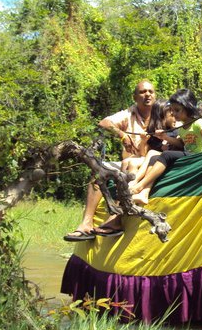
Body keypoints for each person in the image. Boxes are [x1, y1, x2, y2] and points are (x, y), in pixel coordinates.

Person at [63, 80, 164, 241]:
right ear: (135, 97)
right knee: (98, 173)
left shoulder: (162, 111)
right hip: (131, 160)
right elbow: (104, 123)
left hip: (150, 161)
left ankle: (116, 218)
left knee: (127, 166)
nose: (148, 95)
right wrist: (122, 135)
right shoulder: (129, 114)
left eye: (151, 91)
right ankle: (86, 223)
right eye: (143, 92)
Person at [128, 88, 202, 206]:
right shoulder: (182, 127)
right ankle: (145, 192)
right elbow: (181, 144)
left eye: (177, 110)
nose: (173, 113)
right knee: (154, 158)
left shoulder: (198, 123)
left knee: (167, 155)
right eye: (172, 110)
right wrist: (165, 137)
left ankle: (140, 186)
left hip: (199, 156)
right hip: (189, 155)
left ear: (188, 107)